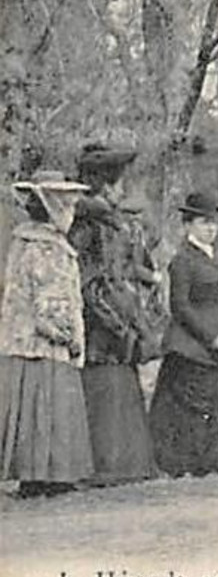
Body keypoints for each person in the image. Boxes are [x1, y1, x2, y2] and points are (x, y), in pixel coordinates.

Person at [0, 168, 94, 497]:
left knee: (34, 409)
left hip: (22, 342)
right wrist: (68, 337)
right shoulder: (46, 248)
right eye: (65, 206)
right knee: (47, 407)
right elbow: (49, 306)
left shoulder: (22, 243)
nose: (70, 212)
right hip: (43, 343)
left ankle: (36, 477)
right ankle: (48, 476)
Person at [69, 143, 159, 484]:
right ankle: (105, 467)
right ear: (105, 185)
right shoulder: (88, 227)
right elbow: (89, 284)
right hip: (100, 328)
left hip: (115, 323)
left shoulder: (108, 223)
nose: (123, 190)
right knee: (102, 390)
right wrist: (118, 325)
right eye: (118, 183)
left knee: (119, 388)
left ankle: (126, 466)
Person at [148, 190, 218, 476]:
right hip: (189, 342)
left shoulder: (215, 255)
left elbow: (216, 295)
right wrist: (209, 337)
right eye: (203, 223)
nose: (211, 228)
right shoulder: (182, 260)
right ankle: (186, 464)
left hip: (213, 335)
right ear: (188, 226)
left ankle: (216, 462)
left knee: (216, 399)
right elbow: (180, 306)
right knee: (190, 404)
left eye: (213, 223)